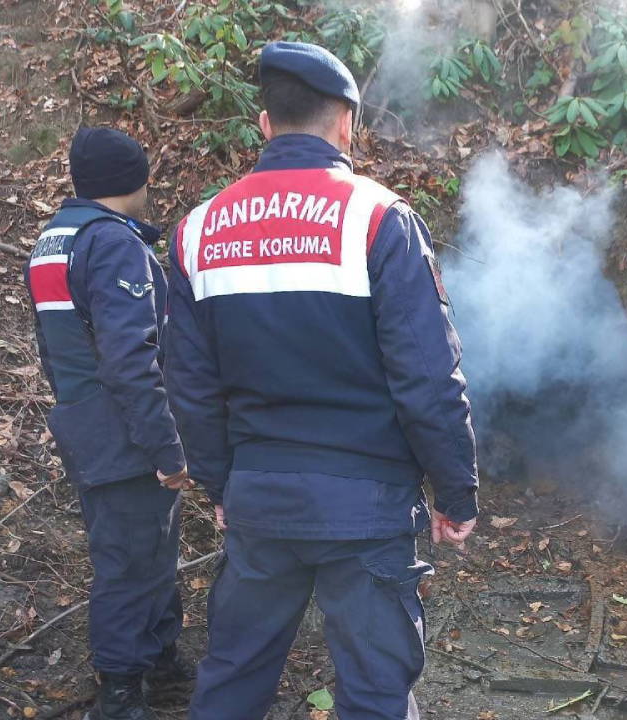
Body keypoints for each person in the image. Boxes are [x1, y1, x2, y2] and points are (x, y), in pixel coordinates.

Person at [164, 41, 480, 720]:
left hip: (259, 500)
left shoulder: (197, 232)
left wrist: (223, 484)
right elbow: (427, 378)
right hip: (367, 508)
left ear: (264, 123)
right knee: (373, 692)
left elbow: (188, 386)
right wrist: (455, 491)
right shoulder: (378, 220)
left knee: (233, 678)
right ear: (346, 125)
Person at [24, 126, 193, 720]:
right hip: (124, 430)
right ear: (136, 179)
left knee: (144, 547)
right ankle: (121, 692)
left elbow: (56, 347)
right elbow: (130, 359)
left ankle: (162, 661)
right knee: (132, 562)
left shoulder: (54, 240)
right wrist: (166, 447)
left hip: (83, 420)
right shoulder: (115, 244)